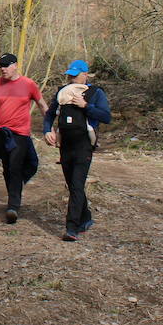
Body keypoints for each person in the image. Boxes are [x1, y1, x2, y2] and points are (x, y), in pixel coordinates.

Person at [42, 59, 111, 241]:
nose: (72, 79)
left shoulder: (95, 93)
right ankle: (86, 217)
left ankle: (71, 228)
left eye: (75, 75)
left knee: (77, 185)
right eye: (70, 75)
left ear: (85, 74)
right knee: (73, 185)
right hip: (65, 146)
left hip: (84, 145)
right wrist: (47, 130)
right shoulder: (62, 93)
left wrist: (86, 106)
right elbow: (50, 114)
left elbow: (106, 117)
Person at [0, 53, 49, 224]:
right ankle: (13, 206)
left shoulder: (28, 84)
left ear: (15, 65)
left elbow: (43, 105)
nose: (2, 68)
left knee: (31, 164)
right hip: (3, 133)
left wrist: (50, 128)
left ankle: (15, 190)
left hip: (21, 134)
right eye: (0, 65)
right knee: (11, 168)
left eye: (6, 65)